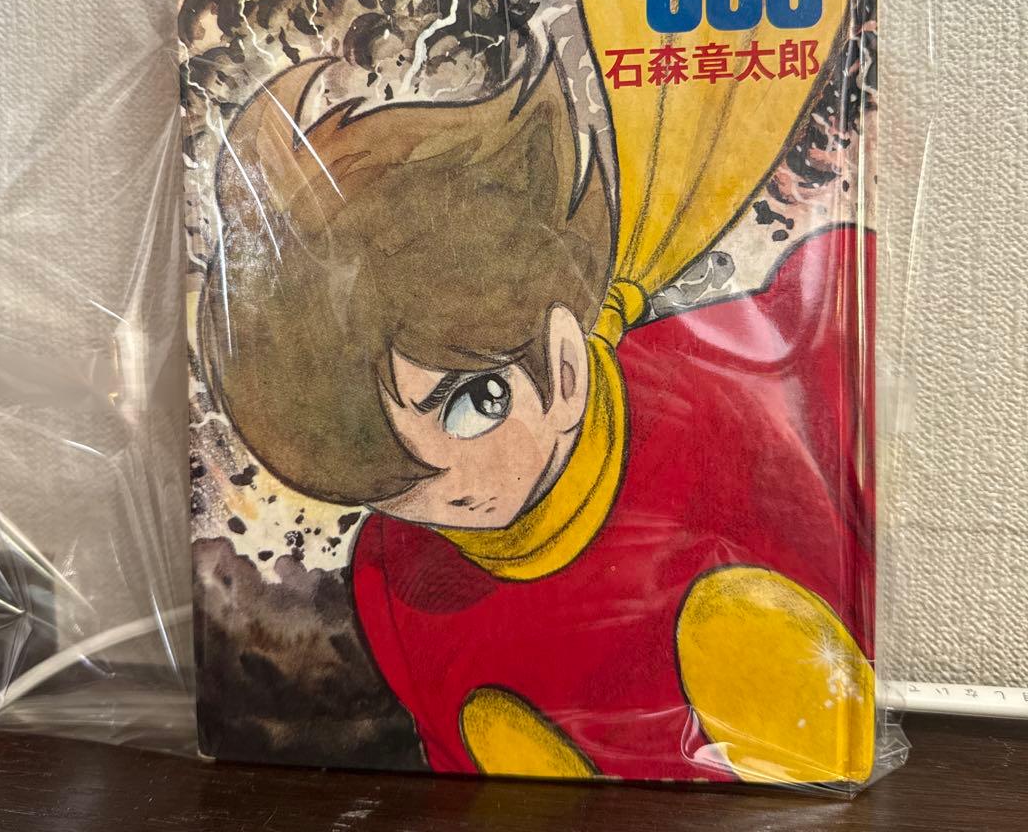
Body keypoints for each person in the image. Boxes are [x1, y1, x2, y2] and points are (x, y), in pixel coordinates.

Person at [202, 48, 876, 785]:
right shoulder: (396, 576)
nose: (451, 489)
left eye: (474, 404)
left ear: (562, 360)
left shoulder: (731, 412)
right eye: (389, 479)